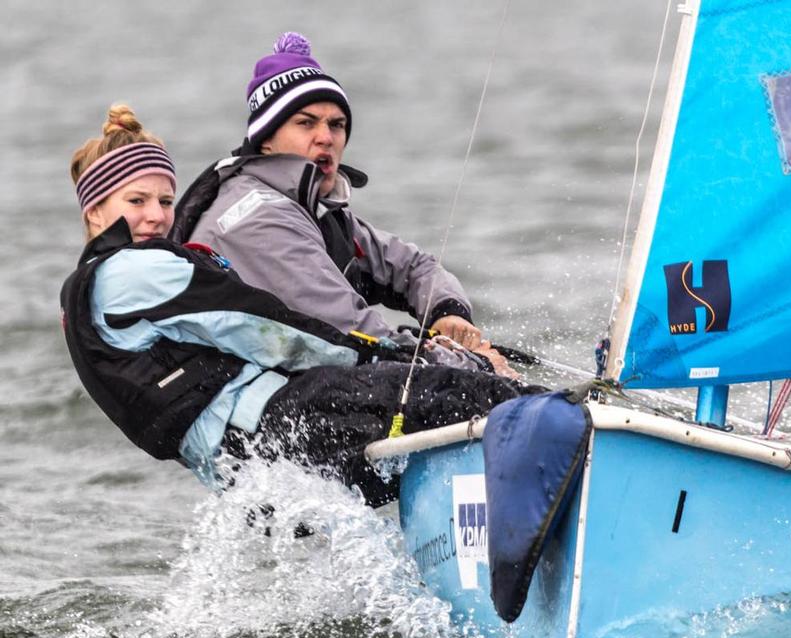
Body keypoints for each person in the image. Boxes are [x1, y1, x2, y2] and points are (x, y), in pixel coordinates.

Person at [61, 106, 529, 505]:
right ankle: (571, 435)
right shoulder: (133, 271)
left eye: (165, 199)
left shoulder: (91, 289)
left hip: (244, 472)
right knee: (458, 393)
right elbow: (269, 328)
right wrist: (407, 360)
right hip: (272, 430)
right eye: (136, 200)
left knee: (427, 434)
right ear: (95, 211)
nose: (158, 214)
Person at [174, 32, 508, 372]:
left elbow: (413, 266)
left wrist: (447, 311)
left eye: (337, 124)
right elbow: (349, 330)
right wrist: (471, 365)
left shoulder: (316, 209)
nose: (326, 137)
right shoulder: (258, 215)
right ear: (266, 140)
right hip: (249, 405)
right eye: (305, 123)